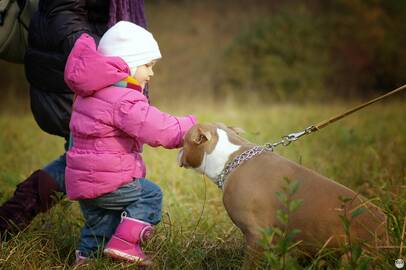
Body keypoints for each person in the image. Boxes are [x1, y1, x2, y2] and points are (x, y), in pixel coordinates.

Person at [0, 0, 147, 236]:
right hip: (78, 70)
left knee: (85, 158)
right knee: (94, 160)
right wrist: (101, 63)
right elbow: (62, 10)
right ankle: (100, 243)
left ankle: (14, 214)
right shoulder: (92, 57)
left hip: (88, 66)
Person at [64, 21, 197, 264]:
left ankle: (86, 260)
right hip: (109, 182)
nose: (151, 73)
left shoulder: (89, 93)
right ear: (127, 63)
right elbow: (157, 127)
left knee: (100, 226)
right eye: (147, 65)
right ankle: (126, 244)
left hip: (83, 184)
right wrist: (188, 127)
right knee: (150, 195)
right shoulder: (123, 99)